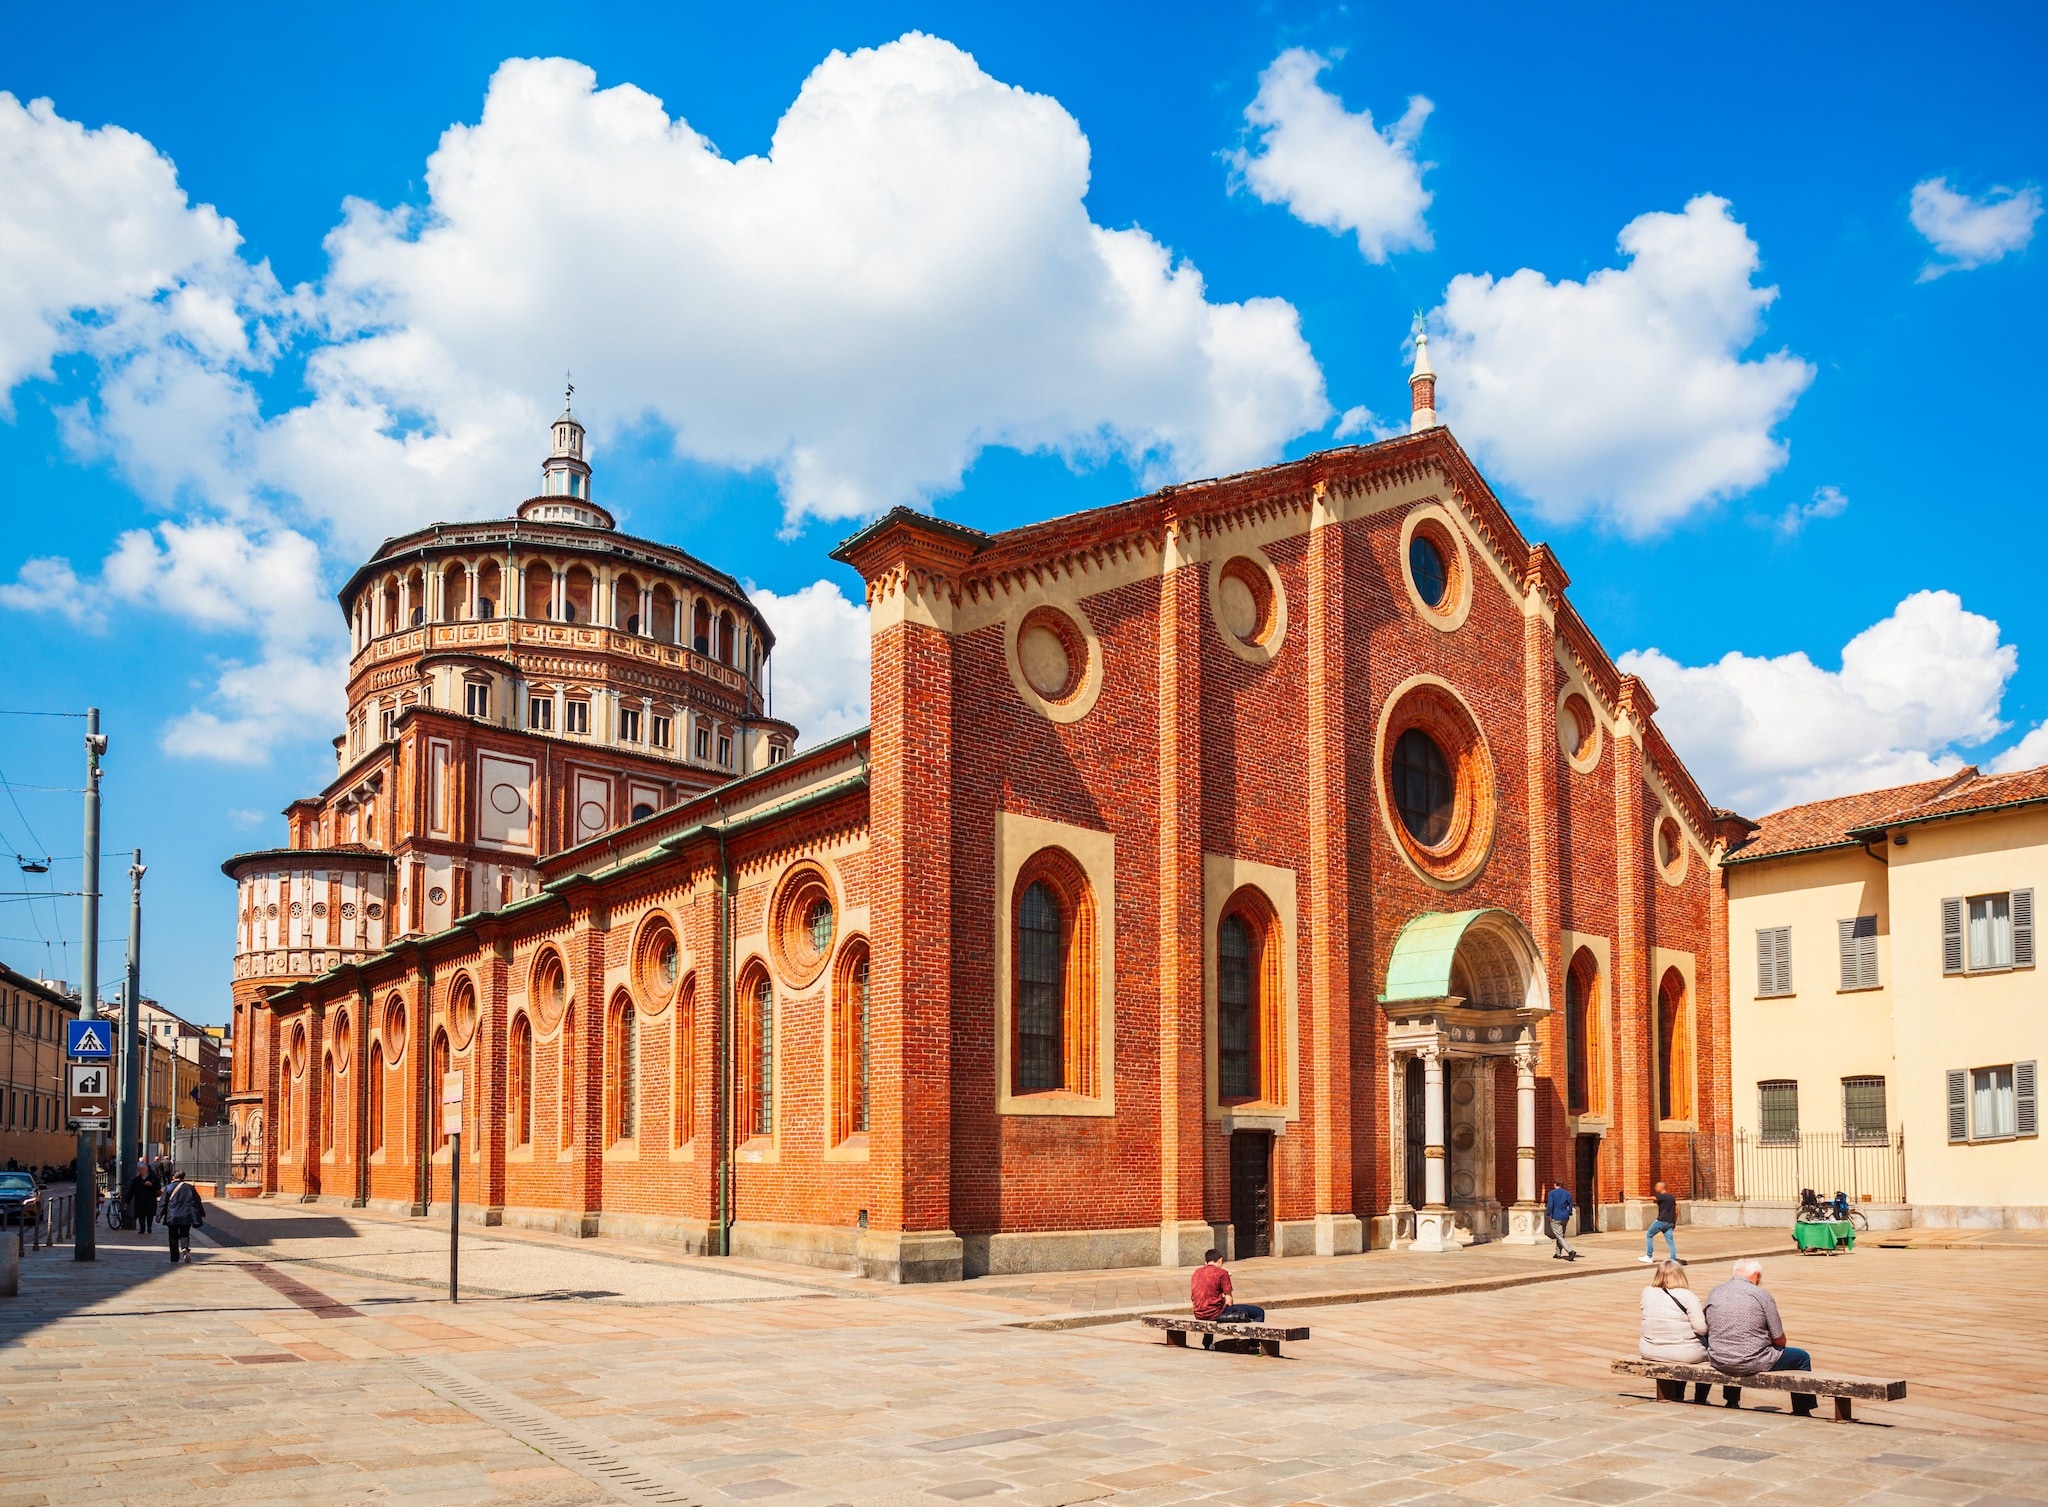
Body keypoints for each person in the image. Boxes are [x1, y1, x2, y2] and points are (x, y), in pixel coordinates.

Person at [1705, 1259, 1817, 1415]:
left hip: (1719, 1358)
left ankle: (1731, 1401)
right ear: (1756, 1275)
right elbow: (1778, 1338)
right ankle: (1802, 1409)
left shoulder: (1715, 1292)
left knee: (1733, 1346)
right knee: (1802, 1357)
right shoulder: (1761, 1294)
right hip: (1753, 1360)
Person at [1639, 1259, 1713, 1403]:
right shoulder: (1687, 1296)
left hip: (1649, 1350)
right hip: (1682, 1353)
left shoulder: (1647, 1292)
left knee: (1677, 1350)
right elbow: (1701, 1328)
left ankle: (1678, 1395)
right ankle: (1700, 1399)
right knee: (1710, 1354)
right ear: (1680, 1275)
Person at [1189, 1249, 1265, 1350]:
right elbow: (1229, 1301)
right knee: (1259, 1312)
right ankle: (1253, 1345)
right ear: (1220, 1260)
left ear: (1206, 1262)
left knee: (1209, 1307)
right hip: (1215, 1313)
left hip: (1199, 1313)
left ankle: (1208, 1343)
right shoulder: (1222, 1273)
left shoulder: (1196, 1272)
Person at [161, 1171, 205, 1264]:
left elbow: (163, 1203)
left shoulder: (168, 1187)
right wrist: (201, 1212)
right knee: (184, 1234)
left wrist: (159, 1216)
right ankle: (185, 1248)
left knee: (173, 1236)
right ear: (183, 1177)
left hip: (172, 1215)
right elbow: (197, 1200)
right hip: (186, 1215)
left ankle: (174, 1257)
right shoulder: (190, 1187)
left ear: (173, 1177)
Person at [1640, 1180, 1679, 1264]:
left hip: (1661, 1221)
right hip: (1669, 1222)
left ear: (1661, 1187)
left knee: (1649, 1235)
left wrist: (1632, 1198)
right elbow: (1677, 1210)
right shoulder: (1671, 1197)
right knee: (1670, 1242)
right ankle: (1673, 1259)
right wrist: (1674, 1222)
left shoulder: (1661, 1196)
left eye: (1657, 1187)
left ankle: (1649, 1256)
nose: (1655, 1188)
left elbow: (1647, 1198)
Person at [1545, 1179, 1580, 1261]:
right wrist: (1569, 1213)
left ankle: (1570, 1250)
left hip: (1556, 1216)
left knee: (1559, 1235)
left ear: (1555, 1184)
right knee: (1560, 1235)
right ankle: (1558, 1253)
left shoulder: (1552, 1193)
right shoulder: (1568, 1194)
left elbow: (1550, 1205)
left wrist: (1549, 1214)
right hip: (1565, 1216)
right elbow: (1570, 1205)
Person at [127, 1167, 159, 1236]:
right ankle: (142, 1228)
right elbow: (131, 1191)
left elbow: (158, 1188)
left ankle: (149, 1227)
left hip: (150, 1200)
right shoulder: (137, 1179)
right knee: (141, 1215)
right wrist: (127, 1201)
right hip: (140, 1200)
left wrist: (151, 1185)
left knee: (149, 1215)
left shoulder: (153, 1178)